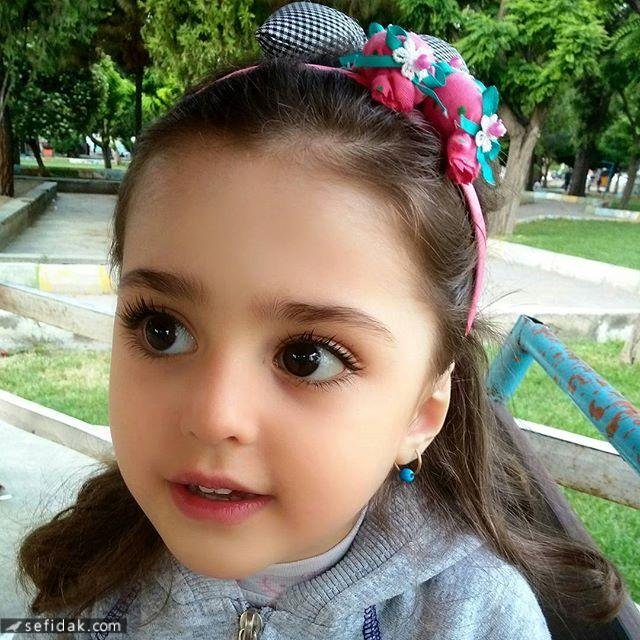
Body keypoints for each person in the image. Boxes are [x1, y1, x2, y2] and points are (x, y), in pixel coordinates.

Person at [15, 3, 625, 639]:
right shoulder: (86, 584)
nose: (214, 415)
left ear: (422, 411)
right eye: (161, 330)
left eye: (307, 358)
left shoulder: (476, 619)